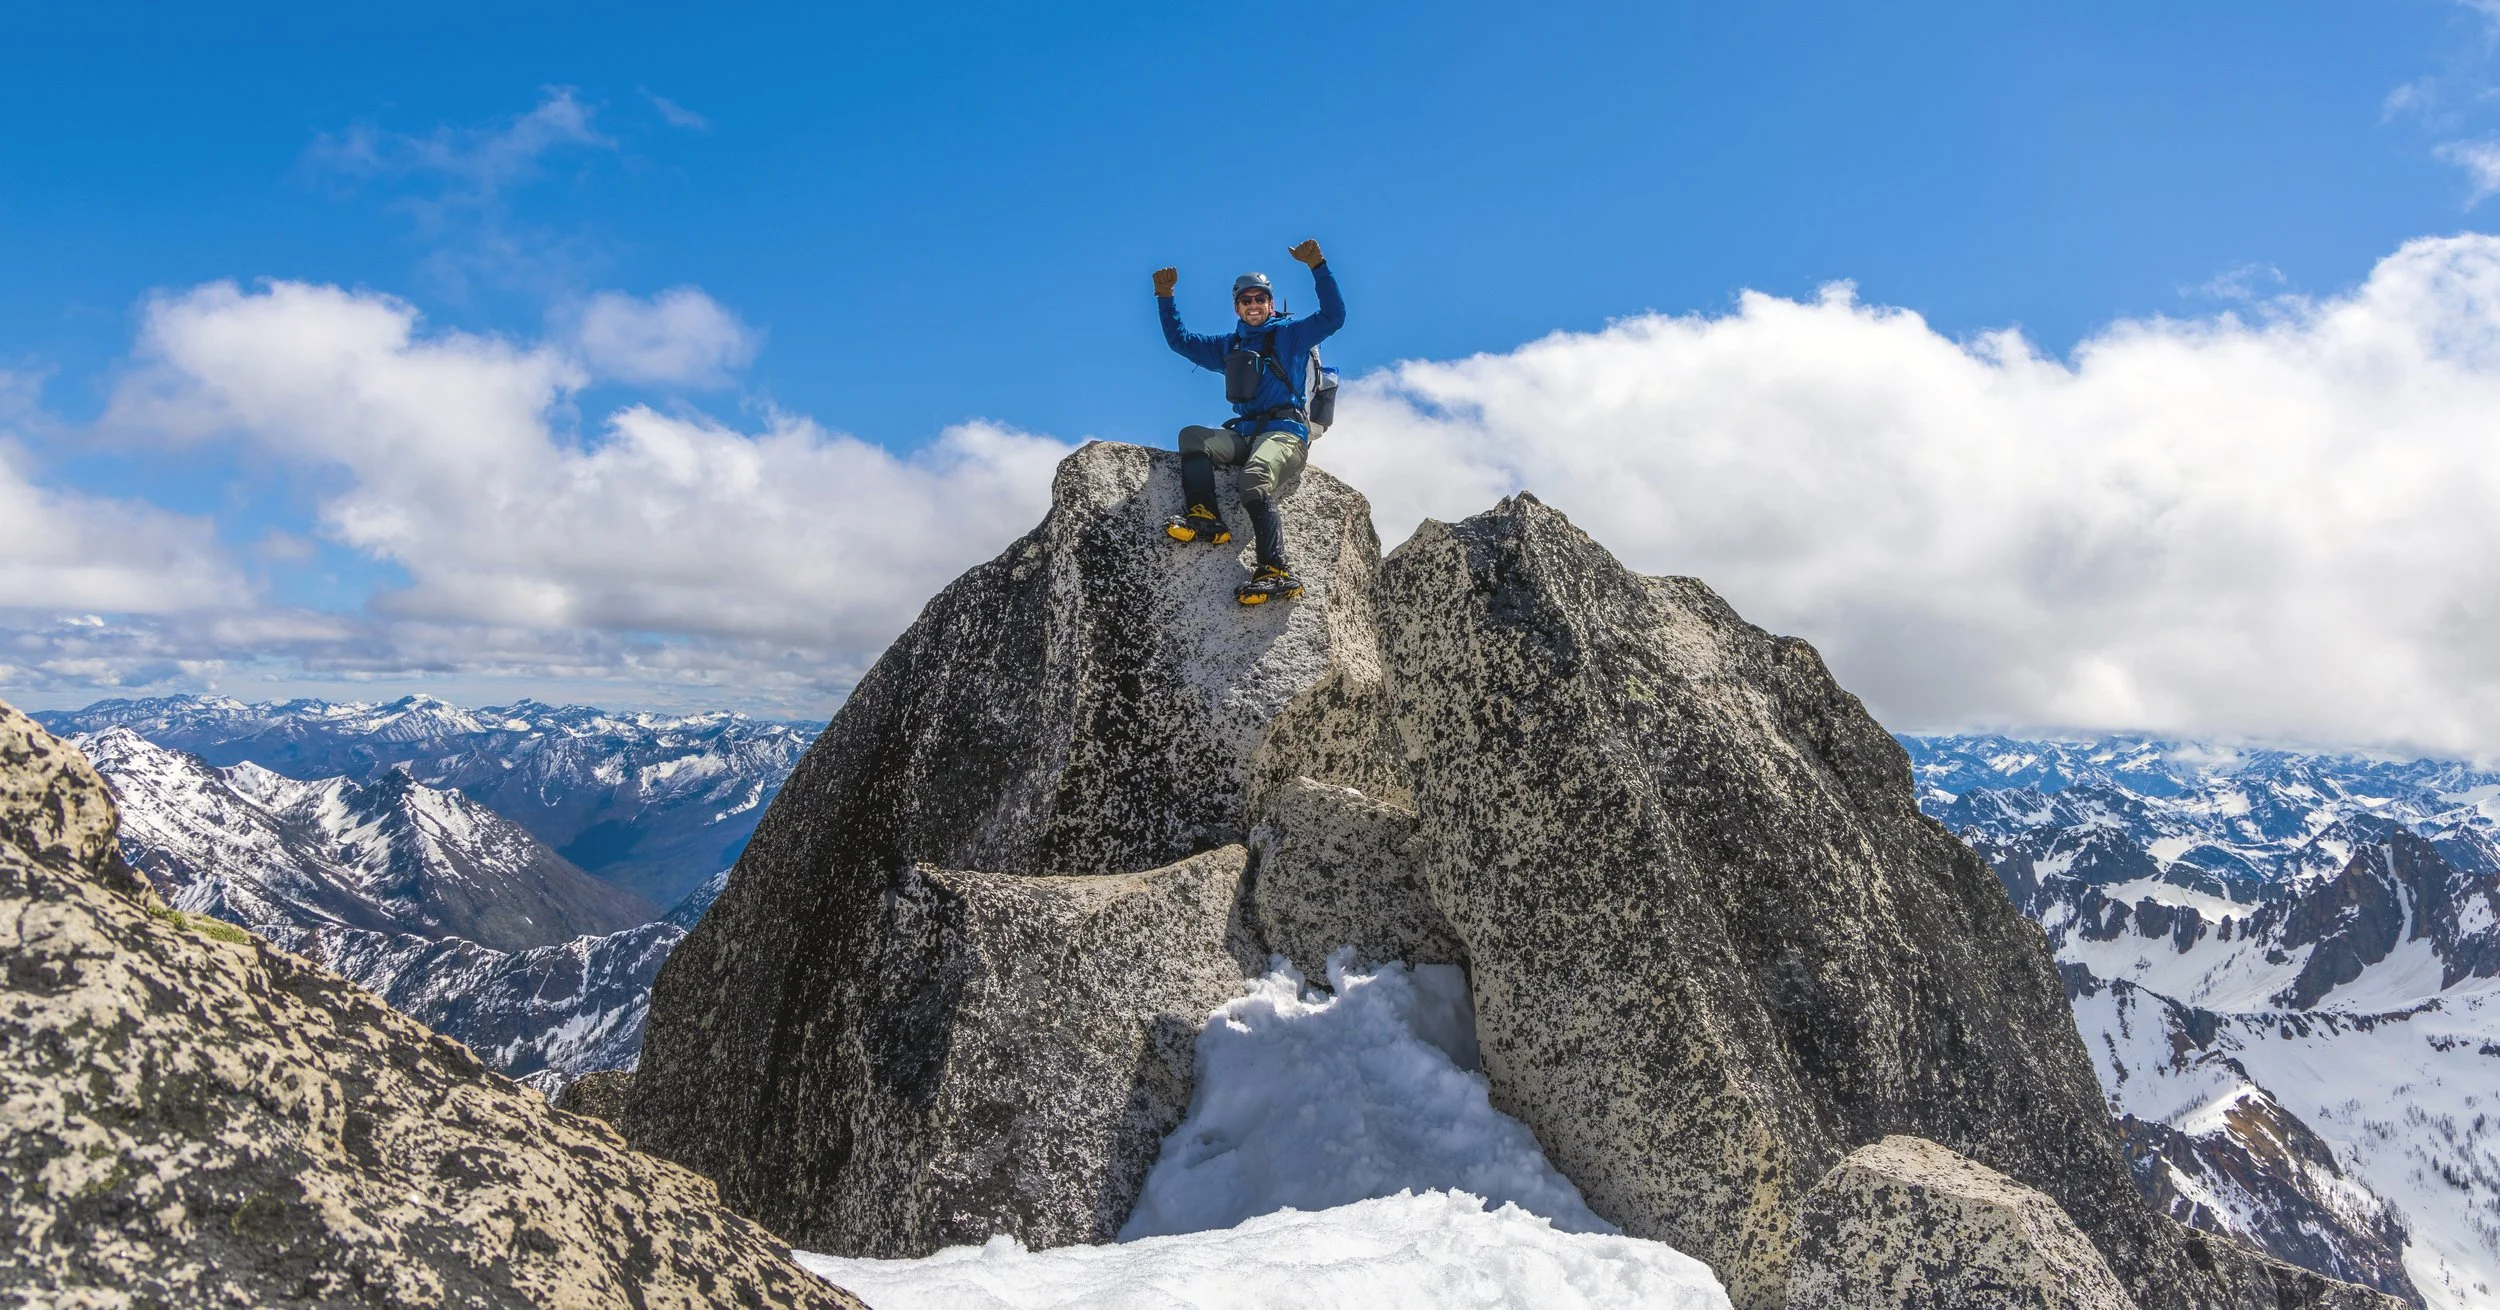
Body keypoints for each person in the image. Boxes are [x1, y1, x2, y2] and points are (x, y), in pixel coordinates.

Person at [1153, 238, 1344, 605]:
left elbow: (1334, 316)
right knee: (1193, 437)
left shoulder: (1291, 335)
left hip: (1286, 433)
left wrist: (1318, 266)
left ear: (1270, 304)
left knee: (1254, 477)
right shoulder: (1230, 346)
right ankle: (1206, 516)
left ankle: (1276, 569)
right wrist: (1165, 297)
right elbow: (1181, 341)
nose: (1254, 305)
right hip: (1246, 433)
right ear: (1237, 307)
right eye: (1246, 300)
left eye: (1260, 299)